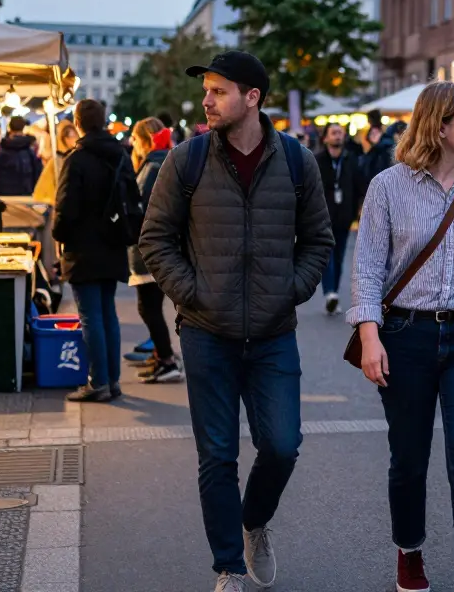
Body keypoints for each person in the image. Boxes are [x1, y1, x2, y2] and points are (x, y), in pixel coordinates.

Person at [139, 51, 333, 592]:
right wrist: (191, 293)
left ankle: (255, 524)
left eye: (219, 90)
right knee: (218, 455)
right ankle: (228, 566)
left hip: (273, 335)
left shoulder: (297, 161)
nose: (207, 99)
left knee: (282, 446)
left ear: (253, 98)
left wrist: (289, 291)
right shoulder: (187, 159)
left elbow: (319, 239)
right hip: (207, 333)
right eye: (206, 90)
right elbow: (155, 238)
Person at [351, 81, 454, 592]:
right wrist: (370, 337)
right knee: (409, 460)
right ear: (439, 126)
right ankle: (410, 549)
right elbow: (369, 269)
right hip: (405, 336)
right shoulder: (387, 187)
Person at [53, 100, 134, 403]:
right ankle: (112, 380)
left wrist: (58, 235)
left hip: (83, 247)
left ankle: (97, 381)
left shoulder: (77, 159)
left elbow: (65, 207)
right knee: (107, 313)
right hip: (113, 244)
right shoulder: (120, 156)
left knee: (90, 317)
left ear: (78, 122)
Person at [127, 117, 183, 384]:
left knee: (148, 307)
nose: (132, 144)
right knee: (152, 307)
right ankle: (163, 356)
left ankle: (167, 360)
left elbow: (143, 208)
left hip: (151, 249)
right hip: (165, 246)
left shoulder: (152, 165)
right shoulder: (167, 160)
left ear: (146, 139)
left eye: (135, 139)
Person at [316, 122, 363, 314]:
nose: (337, 136)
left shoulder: (351, 160)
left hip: (344, 216)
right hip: (322, 217)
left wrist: (358, 212)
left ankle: (333, 292)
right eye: (333, 133)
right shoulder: (317, 161)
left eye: (340, 133)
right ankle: (330, 293)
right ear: (325, 138)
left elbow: (359, 187)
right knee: (327, 255)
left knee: (339, 256)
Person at [34, 120, 81, 205]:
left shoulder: (80, 157)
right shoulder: (56, 160)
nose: (72, 139)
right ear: (63, 138)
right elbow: (43, 188)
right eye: (69, 136)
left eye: (74, 136)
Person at [0, 116, 43, 196]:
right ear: (23, 127)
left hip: (6, 195)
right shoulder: (30, 149)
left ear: (9, 127)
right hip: (27, 192)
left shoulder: (2, 149)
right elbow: (38, 171)